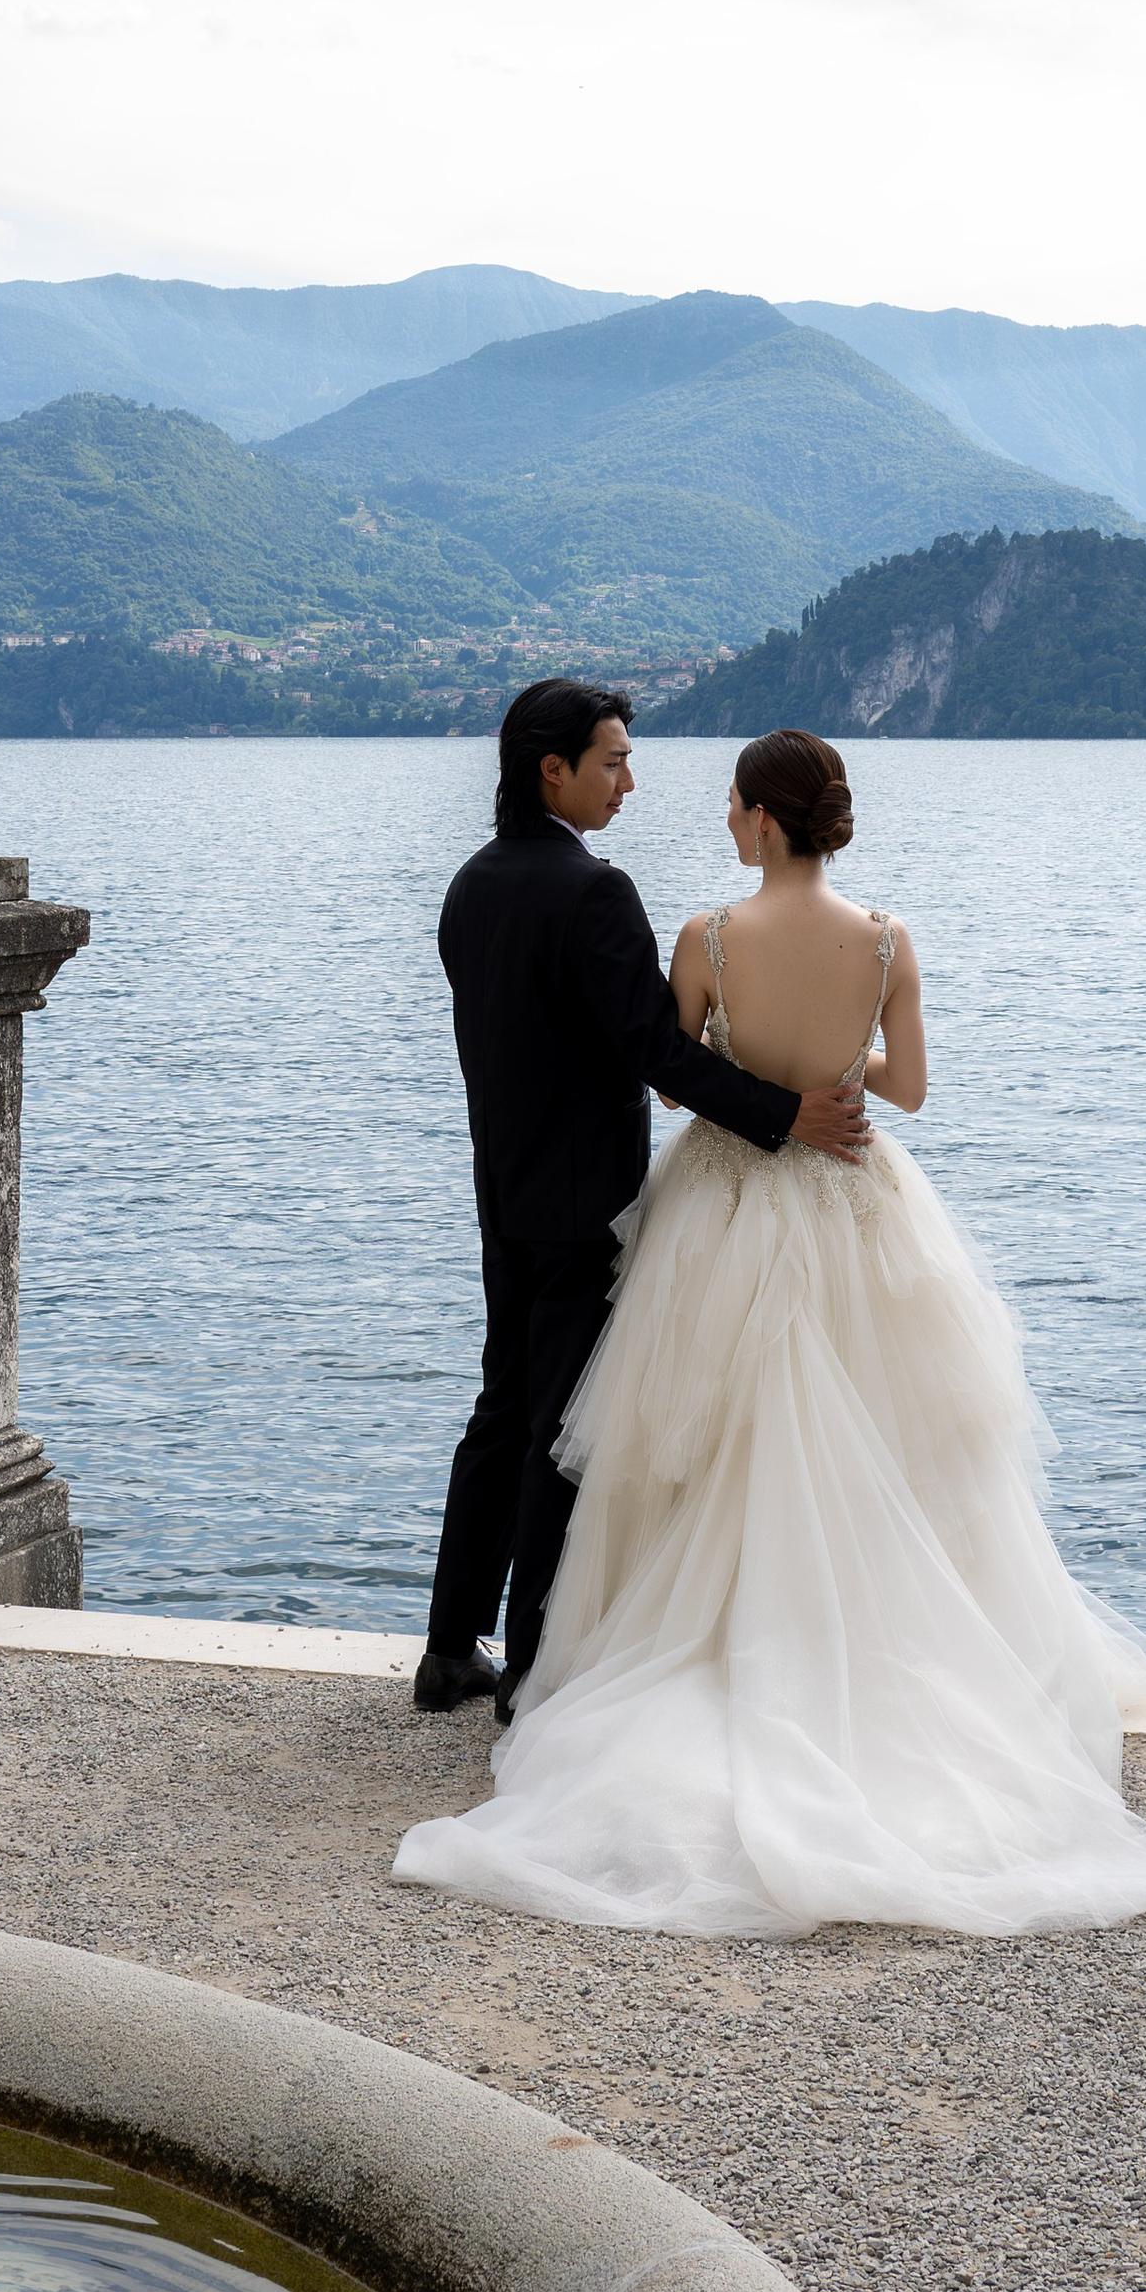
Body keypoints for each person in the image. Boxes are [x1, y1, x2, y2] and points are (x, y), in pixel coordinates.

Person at [395, 726, 1146, 1937]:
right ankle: (877, 1644)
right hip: (857, 1190)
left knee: (681, 1433)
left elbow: (665, 1074)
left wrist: (755, 1070)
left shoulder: (703, 936)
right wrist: (839, 1061)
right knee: (881, 1427)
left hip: (723, 1201)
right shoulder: (886, 938)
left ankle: (591, 1647)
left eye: (730, 803)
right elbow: (905, 1089)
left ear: (758, 815)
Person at [414, 679, 873, 1719]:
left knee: (502, 1406)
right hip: (586, 1200)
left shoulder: (468, 888)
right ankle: (529, 1664)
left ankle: (448, 1647)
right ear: (553, 771)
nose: (629, 779)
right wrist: (783, 1114)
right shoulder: (595, 893)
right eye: (613, 761)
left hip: (502, 1184)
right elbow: (654, 1049)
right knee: (562, 1427)